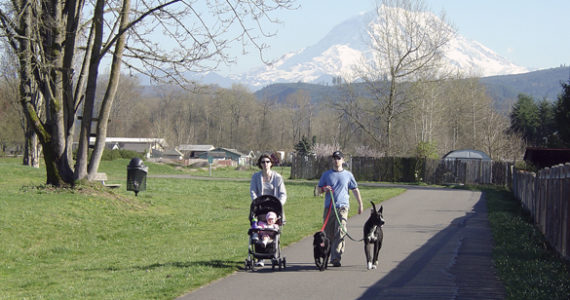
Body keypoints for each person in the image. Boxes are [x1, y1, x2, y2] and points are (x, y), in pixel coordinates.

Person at [317, 150, 363, 267]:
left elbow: (355, 189)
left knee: (340, 231)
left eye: (338, 158)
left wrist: (360, 204)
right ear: (332, 160)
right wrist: (324, 189)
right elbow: (318, 190)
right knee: (328, 234)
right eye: (334, 158)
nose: (336, 160)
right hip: (329, 208)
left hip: (342, 208)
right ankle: (327, 256)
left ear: (343, 160)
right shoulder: (326, 175)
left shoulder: (348, 175)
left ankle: (336, 257)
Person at [250, 153, 287, 266]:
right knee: (260, 232)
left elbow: (283, 194)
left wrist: (278, 205)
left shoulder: (277, 177)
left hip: (273, 210)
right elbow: (253, 191)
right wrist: (256, 203)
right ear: (260, 164)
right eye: (263, 162)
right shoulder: (256, 177)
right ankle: (260, 257)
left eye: (267, 162)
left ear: (271, 163)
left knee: (272, 232)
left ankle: (273, 255)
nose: (265, 164)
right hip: (261, 209)